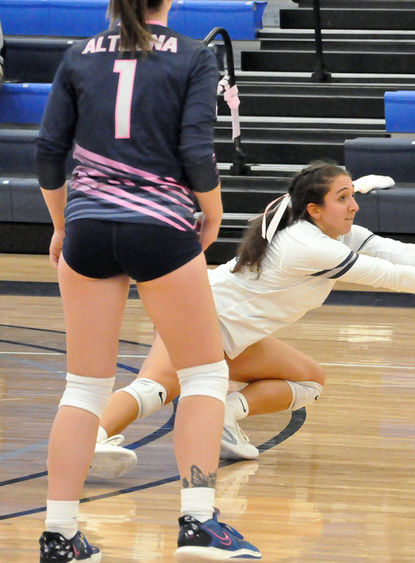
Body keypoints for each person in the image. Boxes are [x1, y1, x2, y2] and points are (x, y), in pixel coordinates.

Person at [90, 161, 415, 478]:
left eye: (352, 194)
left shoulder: (327, 228)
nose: (354, 205)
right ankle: (89, 439)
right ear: (314, 208)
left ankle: (223, 414)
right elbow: (392, 276)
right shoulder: (308, 246)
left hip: (233, 332)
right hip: (200, 314)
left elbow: (400, 252)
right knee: (155, 389)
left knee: (308, 381)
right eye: (343, 198)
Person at [35, 0, 260, 560]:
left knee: (84, 387)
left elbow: (47, 154)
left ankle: (59, 535)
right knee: (206, 375)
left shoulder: (77, 55)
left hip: (87, 225)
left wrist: (63, 224)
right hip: (160, 226)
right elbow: (195, 153)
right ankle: (199, 523)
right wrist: (212, 211)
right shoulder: (193, 55)